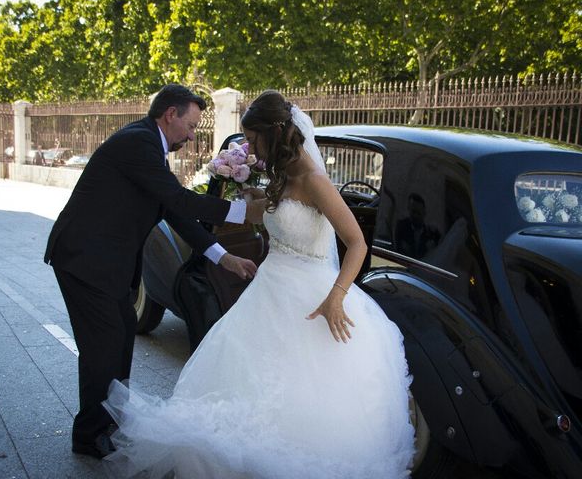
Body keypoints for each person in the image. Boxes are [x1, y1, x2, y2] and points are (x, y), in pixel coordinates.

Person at [103, 90, 415, 478]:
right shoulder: (281, 177)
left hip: (311, 297)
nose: (248, 147)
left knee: (306, 392)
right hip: (270, 290)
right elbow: (269, 218)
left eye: (252, 139)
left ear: (276, 133)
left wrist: (337, 297)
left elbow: (356, 243)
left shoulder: (315, 180)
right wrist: (251, 197)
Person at [44, 84, 258, 460]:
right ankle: (90, 434)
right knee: (104, 347)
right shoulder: (137, 144)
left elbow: (173, 213)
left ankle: (108, 421)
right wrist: (243, 213)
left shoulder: (149, 148)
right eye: (190, 126)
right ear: (170, 114)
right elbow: (179, 200)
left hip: (107, 264)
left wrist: (224, 257)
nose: (192, 137)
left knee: (123, 335)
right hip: (85, 261)